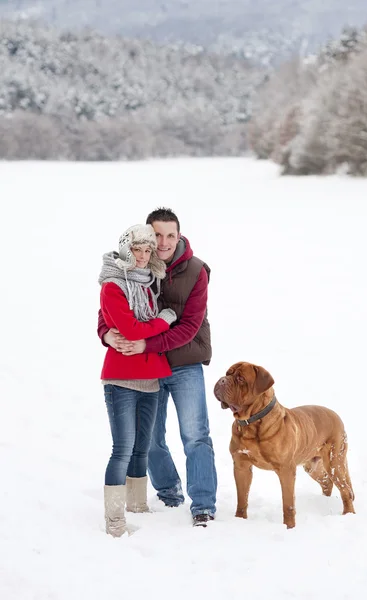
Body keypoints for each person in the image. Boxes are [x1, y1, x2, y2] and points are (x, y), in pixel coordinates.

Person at [98, 208, 217, 527]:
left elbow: (189, 325)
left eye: (170, 235)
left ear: (179, 236)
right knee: (148, 438)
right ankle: (169, 491)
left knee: (195, 435)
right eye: (156, 235)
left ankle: (203, 503)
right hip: (144, 367)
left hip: (183, 361)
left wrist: (146, 343)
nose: (163, 242)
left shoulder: (195, 270)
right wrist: (107, 334)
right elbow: (109, 309)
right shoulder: (133, 267)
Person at [99, 223, 177, 537]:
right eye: (138, 249)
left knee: (142, 448)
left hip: (152, 376)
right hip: (121, 377)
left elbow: (129, 327)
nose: (144, 256)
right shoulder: (113, 285)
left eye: (148, 250)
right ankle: (115, 519)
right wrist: (163, 320)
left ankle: (137, 505)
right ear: (125, 250)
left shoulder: (151, 283)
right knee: (123, 448)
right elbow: (130, 330)